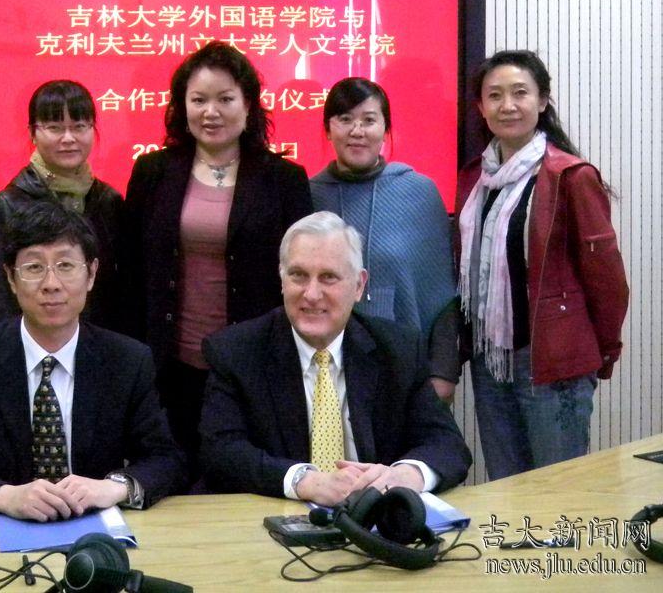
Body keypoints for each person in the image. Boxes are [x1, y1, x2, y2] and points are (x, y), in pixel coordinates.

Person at [0, 201, 186, 519]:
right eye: (34, 268)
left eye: (65, 265)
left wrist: (113, 487)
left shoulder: (127, 360)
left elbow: (167, 458)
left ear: (91, 274)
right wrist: (1, 496)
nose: (51, 284)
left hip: (94, 532)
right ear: (11, 278)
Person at [123, 41, 312, 467]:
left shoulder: (284, 179)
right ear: (181, 107)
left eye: (225, 99)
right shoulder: (152, 173)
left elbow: (300, 275)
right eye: (199, 100)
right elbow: (132, 273)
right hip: (169, 364)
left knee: (248, 474)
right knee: (172, 474)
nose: (211, 112)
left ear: (248, 106)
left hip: (254, 364)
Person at [199, 211, 471, 506]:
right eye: (298, 275)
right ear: (282, 280)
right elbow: (220, 453)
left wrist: (405, 475)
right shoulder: (237, 351)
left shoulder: (398, 349)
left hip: (373, 518)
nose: (312, 294)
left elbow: (447, 444)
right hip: (274, 517)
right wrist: (303, 481)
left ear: (359, 286)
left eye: (328, 277)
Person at [457, 50, 628, 480]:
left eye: (520, 93)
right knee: (507, 486)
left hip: (553, 362)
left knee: (557, 490)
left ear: (543, 100)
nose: (508, 105)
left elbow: (607, 280)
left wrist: (602, 352)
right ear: (481, 106)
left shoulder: (571, 176)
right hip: (490, 358)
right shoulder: (475, 178)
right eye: (495, 95)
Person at [310, 77, 460, 401]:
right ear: (328, 129)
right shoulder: (308, 196)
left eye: (368, 120)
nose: (357, 131)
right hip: (324, 370)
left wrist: (443, 372)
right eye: (345, 119)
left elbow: (442, 295)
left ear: (385, 128)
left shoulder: (419, 192)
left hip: (406, 369)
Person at [0, 80, 123, 329]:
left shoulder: (109, 202)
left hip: (96, 341)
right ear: (32, 133)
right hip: (30, 341)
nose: (68, 138)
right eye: (55, 128)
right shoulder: (10, 204)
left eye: (79, 126)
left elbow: (119, 290)